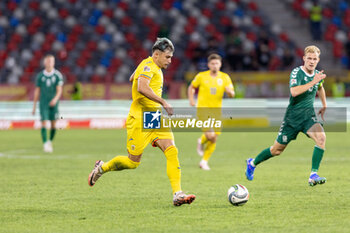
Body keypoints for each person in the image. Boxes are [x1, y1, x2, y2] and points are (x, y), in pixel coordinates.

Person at [88, 38, 196, 206]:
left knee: (171, 150)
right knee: (132, 162)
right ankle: (102, 167)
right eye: (167, 57)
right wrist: (163, 102)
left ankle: (177, 193)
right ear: (157, 54)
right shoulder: (148, 66)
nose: (170, 60)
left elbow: (133, 78)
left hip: (153, 117)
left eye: (171, 57)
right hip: (139, 118)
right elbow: (141, 87)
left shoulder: (150, 65)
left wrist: (138, 74)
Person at [245, 45, 327, 187]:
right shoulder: (296, 72)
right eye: (309, 58)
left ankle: (313, 175)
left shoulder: (317, 75)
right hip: (292, 118)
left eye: (314, 59)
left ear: (318, 60)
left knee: (321, 138)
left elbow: (320, 87)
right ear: (304, 59)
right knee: (276, 150)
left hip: (308, 117)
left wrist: (324, 104)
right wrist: (313, 81)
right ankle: (252, 163)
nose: (312, 61)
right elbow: (294, 92)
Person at [188, 54, 235, 170]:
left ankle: (204, 161)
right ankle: (203, 139)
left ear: (220, 64)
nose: (215, 65)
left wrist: (229, 92)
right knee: (210, 135)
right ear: (209, 65)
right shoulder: (201, 76)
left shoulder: (225, 77)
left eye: (217, 63)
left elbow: (232, 94)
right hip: (203, 110)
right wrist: (191, 100)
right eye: (212, 63)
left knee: (214, 138)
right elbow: (191, 87)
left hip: (217, 112)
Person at [32, 54, 63, 153]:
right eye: (48, 61)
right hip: (43, 104)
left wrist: (55, 99)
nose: (49, 63)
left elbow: (59, 90)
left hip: (54, 104)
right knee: (44, 123)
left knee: (54, 125)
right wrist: (34, 106)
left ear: (54, 63)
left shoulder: (57, 75)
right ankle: (45, 144)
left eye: (51, 61)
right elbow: (37, 91)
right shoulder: (40, 76)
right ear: (45, 62)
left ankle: (50, 141)